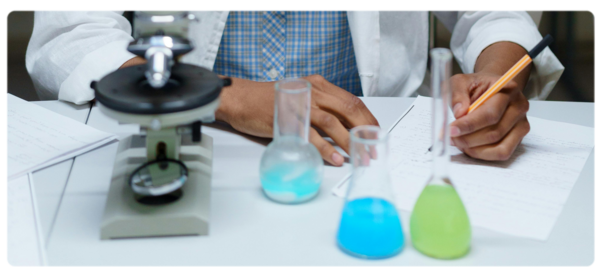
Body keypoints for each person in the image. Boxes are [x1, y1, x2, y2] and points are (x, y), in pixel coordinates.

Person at [26, 8, 564, 165]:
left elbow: (491, 14)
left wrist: (498, 76)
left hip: (377, 147)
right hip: (193, 137)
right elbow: (73, 32)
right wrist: (223, 94)